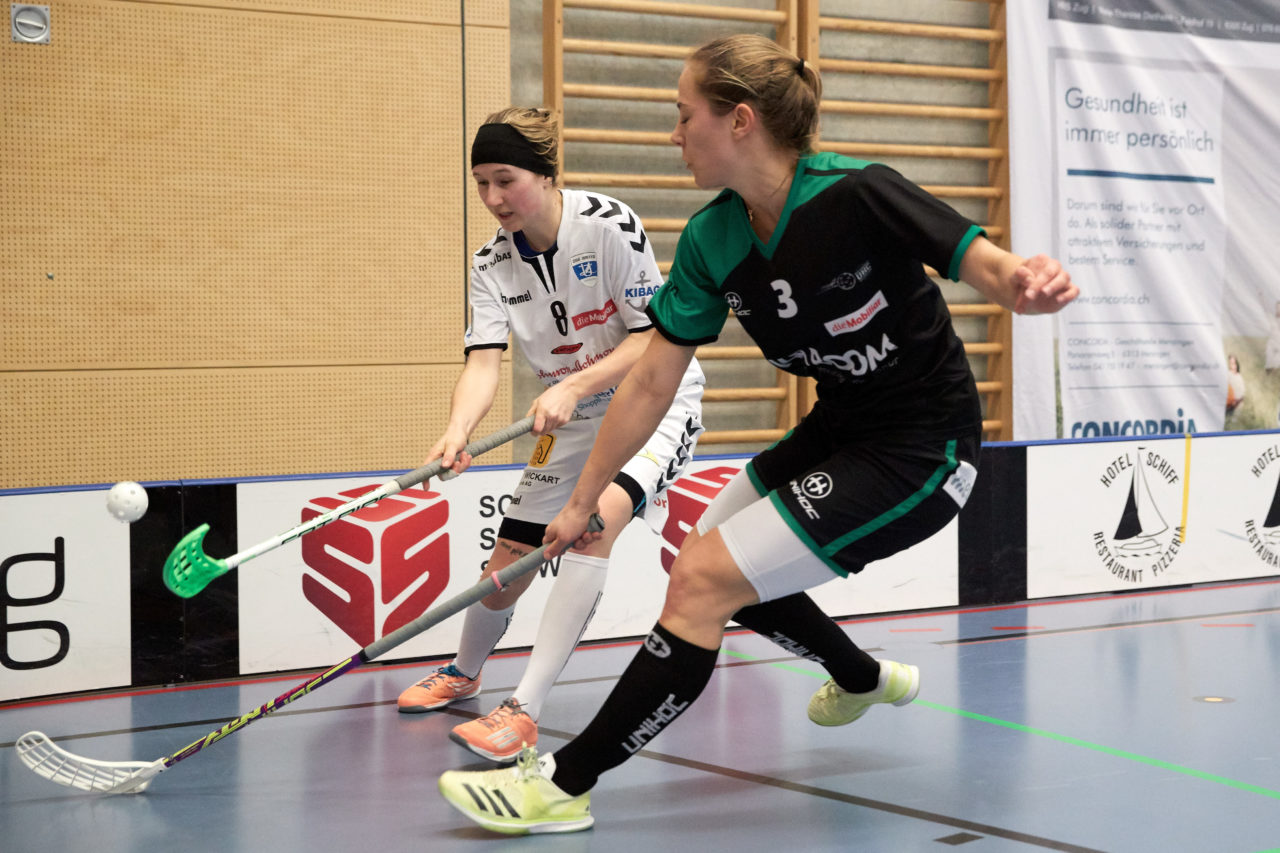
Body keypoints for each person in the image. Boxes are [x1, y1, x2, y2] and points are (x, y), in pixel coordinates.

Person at [437, 35, 1079, 835]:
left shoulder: (858, 194)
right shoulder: (713, 239)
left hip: (924, 448)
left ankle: (563, 784)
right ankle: (859, 676)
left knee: (706, 577)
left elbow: (981, 261)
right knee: (703, 553)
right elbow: (650, 383)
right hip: (841, 427)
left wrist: (1025, 282)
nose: (672, 135)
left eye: (683, 116)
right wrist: (580, 501)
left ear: (739, 121)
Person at [398, 107, 705, 763]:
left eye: (505, 179)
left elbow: (654, 341)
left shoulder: (609, 225)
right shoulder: (490, 263)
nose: (492, 198)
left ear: (544, 171)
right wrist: (457, 430)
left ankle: (525, 709)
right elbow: (483, 360)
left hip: (654, 398)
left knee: (592, 523)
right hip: (572, 416)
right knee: (512, 555)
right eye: (481, 183)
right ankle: (465, 670)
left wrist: (572, 384)